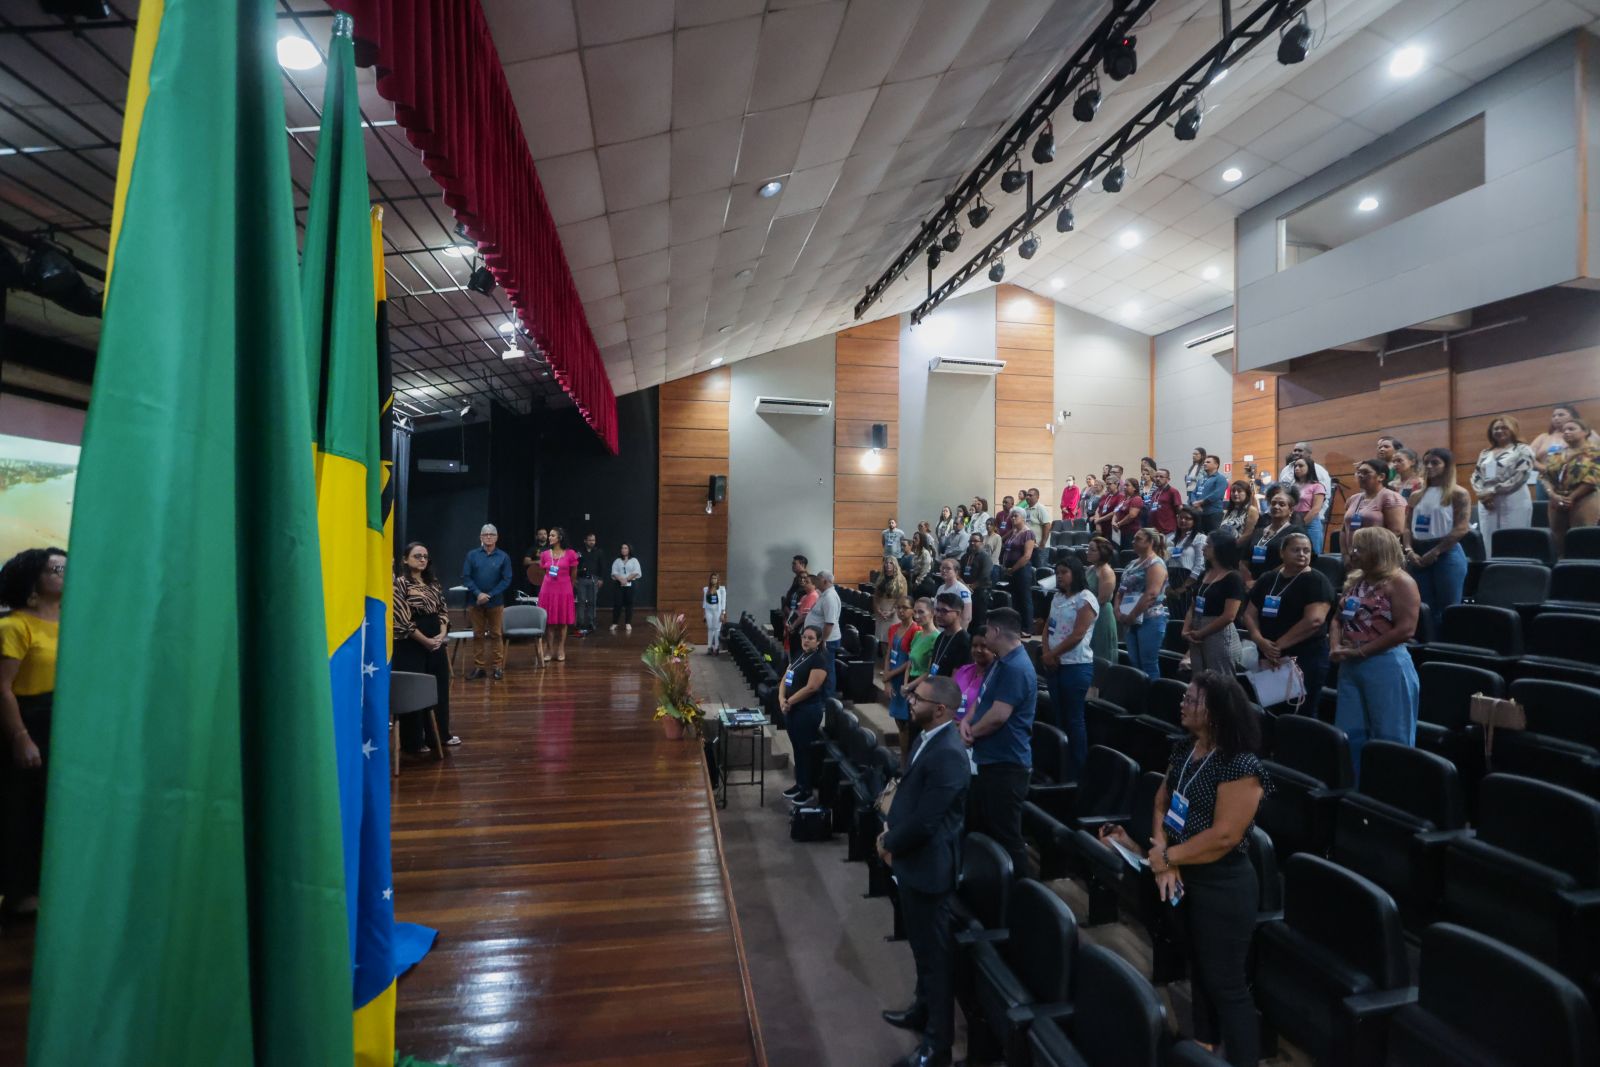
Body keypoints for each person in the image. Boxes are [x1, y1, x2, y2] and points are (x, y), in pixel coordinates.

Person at [1146, 671, 1272, 1067]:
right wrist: (1163, 857)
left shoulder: (1241, 765)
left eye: (1192, 700)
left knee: (1227, 985)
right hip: (1183, 875)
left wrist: (1168, 859)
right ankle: (1204, 1047)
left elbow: (1224, 837)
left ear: (1216, 712)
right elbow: (1161, 804)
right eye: (1184, 697)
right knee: (1199, 970)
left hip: (1223, 885)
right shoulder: (1187, 749)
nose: (1183, 704)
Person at [877, 674, 970, 1067]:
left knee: (936, 960)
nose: (910, 700)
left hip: (930, 869)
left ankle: (938, 1046)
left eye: (919, 698)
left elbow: (928, 822)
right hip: (914, 862)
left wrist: (888, 843)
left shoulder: (949, 752)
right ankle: (920, 1009)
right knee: (920, 949)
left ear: (942, 709)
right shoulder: (926, 738)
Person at [0, 547, 64, 917]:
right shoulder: (14, 625)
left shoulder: (74, 622)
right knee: (21, 807)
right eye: (56, 568)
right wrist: (20, 736)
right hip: (29, 720)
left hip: (64, 721)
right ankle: (20, 893)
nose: (64, 573)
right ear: (33, 581)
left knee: (54, 807)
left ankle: (50, 886)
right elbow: (2, 688)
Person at [1330, 527, 1421, 779]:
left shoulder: (1401, 582)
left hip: (1385, 665)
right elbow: (1337, 619)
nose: (1353, 552)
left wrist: (1361, 652)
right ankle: (1357, 793)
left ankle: (1391, 795)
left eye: (1360, 548)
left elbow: (1406, 629)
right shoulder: (1355, 581)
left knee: (1391, 736)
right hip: (1351, 665)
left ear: (1378, 550)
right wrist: (1335, 647)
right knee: (1351, 735)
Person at [960, 608, 1036, 877]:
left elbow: (999, 716)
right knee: (985, 827)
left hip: (1008, 763)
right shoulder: (1000, 663)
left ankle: (1024, 892)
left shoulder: (1016, 667)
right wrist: (968, 722)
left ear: (995, 631)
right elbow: (981, 701)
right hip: (989, 757)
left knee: (1007, 835)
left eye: (987, 629)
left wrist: (971, 732)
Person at [1243, 532, 1334, 709]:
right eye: (1296, 550)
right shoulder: (1269, 578)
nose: (1302, 554)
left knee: (1300, 712)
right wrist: (1259, 640)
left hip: (1304, 657)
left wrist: (1276, 647)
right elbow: (1249, 614)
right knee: (1271, 708)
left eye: (1306, 550)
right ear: (1282, 553)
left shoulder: (1316, 580)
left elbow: (1314, 620)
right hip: (1268, 654)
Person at [394, 542, 458, 752]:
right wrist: (425, 641)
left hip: (435, 639)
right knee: (414, 690)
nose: (422, 559)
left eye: (425, 556)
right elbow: (403, 619)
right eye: (417, 556)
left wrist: (441, 634)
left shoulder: (434, 583)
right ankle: (414, 741)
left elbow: (442, 610)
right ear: (405, 559)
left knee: (439, 687)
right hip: (411, 642)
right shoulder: (400, 584)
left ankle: (440, 735)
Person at [1043, 556, 1098, 781]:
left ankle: (1078, 769)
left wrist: (1053, 654)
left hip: (1076, 665)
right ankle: (1061, 762)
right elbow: (1048, 626)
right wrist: (1046, 652)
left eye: (1064, 572)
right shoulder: (1057, 597)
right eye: (1057, 572)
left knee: (1074, 718)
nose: (1059, 576)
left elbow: (1078, 634)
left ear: (1075, 573)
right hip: (1055, 663)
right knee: (1058, 714)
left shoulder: (1086, 599)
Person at [1404, 448, 1471, 632]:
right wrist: (1409, 550)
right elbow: (1407, 527)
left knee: (1448, 606)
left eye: (1435, 462)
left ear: (1447, 466)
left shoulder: (1458, 493)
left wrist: (1436, 551)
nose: (1429, 466)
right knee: (1422, 606)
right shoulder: (1416, 495)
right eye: (1426, 462)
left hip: (1445, 552)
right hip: (1417, 552)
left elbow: (1461, 528)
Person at [779, 625, 833, 807]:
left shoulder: (820, 660)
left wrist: (789, 701)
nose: (806, 640)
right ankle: (799, 783)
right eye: (804, 637)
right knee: (797, 748)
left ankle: (807, 789)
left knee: (805, 750)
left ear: (818, 642)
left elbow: (811, 688)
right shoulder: (799, 655)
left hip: (808, 710)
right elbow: (786, 676)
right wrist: (781, 698)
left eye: (811, 638)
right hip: (792, 709)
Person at [1471, 416, 1535, 555]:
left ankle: (1513, 571)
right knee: (1488, 538)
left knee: (1513, 539)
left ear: (1513, 429)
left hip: (1513, 498)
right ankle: (1491, 569)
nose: (1499, 431)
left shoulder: (1522, 449)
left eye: (1504, 427)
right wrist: (1482, 494)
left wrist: (1493, 491)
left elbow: (1521, 476)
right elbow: (1476, 475)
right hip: (1487, 501)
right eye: (1496, 428)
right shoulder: (1485, 453)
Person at [1185, 533, 1246, 676]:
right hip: (1196, 631)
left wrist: (1201, 633)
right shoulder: (1205, 573)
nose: (1204, 548)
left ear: (1221, 548)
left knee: (1220, 683)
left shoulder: (1233, 578)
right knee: (1199, 679)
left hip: (1219, 634)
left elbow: (1229, 616)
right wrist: (1185, 629)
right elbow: (1193, 605)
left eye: (1208, 544)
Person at [1543, 416, 1600, 557]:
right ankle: (1563, 571)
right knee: (1558, 543)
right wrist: (1553, 495)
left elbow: (1593, 477)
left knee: (1582, 540)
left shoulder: (1595, 452)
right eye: (1564, 430)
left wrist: (1571, 497)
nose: (1566, 432)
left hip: (1584, 499)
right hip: (1556, 501)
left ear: (1585, 432)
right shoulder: (1556, 453)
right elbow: (1545, 476)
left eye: (1571, 429)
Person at [462, 524, 513, 680]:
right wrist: (478, 593)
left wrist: (489, 595)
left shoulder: (503, 556)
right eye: (485, 534)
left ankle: (498, 667)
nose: (489, 537)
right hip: (475, 602)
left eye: (492, 534)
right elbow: (466, 577)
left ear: (497, 537)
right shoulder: (472, 555)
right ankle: (479, 667)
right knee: (478, 635)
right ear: (481, 537)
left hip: (495, 602)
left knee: (496, 634)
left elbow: (507, 579)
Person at [1117, 529, 1170, 680]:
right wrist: (1118, 611)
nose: (1133, 542)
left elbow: (1151, 594)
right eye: (1134, 539)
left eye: (1138, 539)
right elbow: (1120, 591)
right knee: (1135, 662)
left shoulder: (1156, 564)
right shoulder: (1132, 563)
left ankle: (1151, 700)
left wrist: (1132, 616)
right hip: (1129, 617)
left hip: (1149, 618)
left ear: (1150, 542)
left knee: (1148, 664)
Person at [1531, 403, 1600, 495]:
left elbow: (1595, 457)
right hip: (1546, 481)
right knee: (1548, 507)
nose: (1556, 418)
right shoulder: (1543, 437)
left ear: (1573, 416)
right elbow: (1527, 457)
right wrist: (1543, 468)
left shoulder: (1587, 433)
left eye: (1561, 415)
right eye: (1554, 416)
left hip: (1579, 480)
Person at [902, 598, 939, 761]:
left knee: (918, 728)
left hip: (921, 685)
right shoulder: (917, 634)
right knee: (909, 727)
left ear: (932, 613)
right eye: (915, 611)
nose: (916, 615)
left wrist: (910, 686)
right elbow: (909, 662)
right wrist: (905, 684)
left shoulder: (936, 637)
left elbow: (929, 670)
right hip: (909, 682)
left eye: (921, 612)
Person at [538, 528, 579, 662]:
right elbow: (544, 572)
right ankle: (549, 649)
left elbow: (573, 574)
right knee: (549, 622)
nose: (549, 537)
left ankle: (561, 648)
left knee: (563, 622)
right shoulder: (544, 554)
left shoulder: (570, 554)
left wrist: (568, 588)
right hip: (548, 591)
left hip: (564, 591)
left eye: (552, 535)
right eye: (549, 535)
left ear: (560, 537)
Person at [883, 598, 919, 751]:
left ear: (913, 610)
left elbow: (910, 660)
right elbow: (889, 653)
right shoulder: (893, 628)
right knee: (899, 722)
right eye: (898, 607)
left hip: (905, 677)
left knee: (906, 724)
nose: (901, 611)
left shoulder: (916, 630)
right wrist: (886, 679)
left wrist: (890, 674)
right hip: (893, 676)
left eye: (905, 607)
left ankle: (905, 759)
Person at [1277, 442, 1333, 539]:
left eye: (1300, 450)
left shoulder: (1320, 472)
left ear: (1309, 453)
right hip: (1291, 520)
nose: (1296, 452)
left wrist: (1303, 522)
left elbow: (1324, 498)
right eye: (1295, 450)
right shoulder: (1286, 470)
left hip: (1312, 519)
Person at [1344, 458, 1408, 542]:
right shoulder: (1353, 499)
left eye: (1365, 472)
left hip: (1379, 552)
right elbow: (1344, 531)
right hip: (1352, 553)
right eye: (1358, 472)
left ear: (1381, 477)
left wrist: (1369, 548)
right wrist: (1345, 554)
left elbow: (1396, 531)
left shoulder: (1391, 497)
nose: (1360, 475)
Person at [1246, 486, 1299, 581]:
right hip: (1250, 581)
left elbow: (1295, 561)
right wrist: (1247, 580)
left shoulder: (1296, 531)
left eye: (1281, 504)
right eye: (1273, 503)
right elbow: (1243, 559)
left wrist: (1262, 581)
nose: (1276, 506)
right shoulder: (1259, 531)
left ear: (1290, 510)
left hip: (1278, 580)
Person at [1000, 508, 1038, 634]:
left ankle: (1027, 628)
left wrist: (1013, 569)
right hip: (1011, 570)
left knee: (1024, 599)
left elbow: (1027, 556)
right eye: (1011, 516)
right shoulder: (1014, 532)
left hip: (1021, 570)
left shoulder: (1028, 533)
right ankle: (1017, 626)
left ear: (1023, 517)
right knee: (1015, 599)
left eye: (1015, 516)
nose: (1013, 518)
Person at [1083, 536, 1121, 665]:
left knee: (1101, 651)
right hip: (1089, 612)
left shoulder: (1106, 571)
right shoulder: (1090, 569)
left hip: (1101, 614)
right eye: (1088, 549)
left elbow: (1102, 599)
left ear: (1102, 553)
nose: (1088, 552)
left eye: (1092, 550)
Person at [806, 571, 844, 690]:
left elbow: (829, 623)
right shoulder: (823, 594)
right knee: (820, 669)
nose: (815, 581)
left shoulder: (829, 597)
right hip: (821, 639)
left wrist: (822, 640)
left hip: (828, 640)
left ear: (824, 581)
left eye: (818, 578)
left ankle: (828, 700)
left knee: (826, 670)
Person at [1167, 506, 1209, 610]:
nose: (1182, 520)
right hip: (1170, 581)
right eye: (1180, 517)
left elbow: (1200, 565)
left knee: (1184, 615)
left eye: (1187, 518)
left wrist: (1184, 587)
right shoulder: (1171, 537)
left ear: (1195, 521)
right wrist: (1167, 586)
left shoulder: (1200, 538)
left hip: (1188, 582)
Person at [927, 592, 972, 681]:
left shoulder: (964, 641)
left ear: (958, 614)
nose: (938, 615)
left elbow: (956, 679)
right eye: (937, 610)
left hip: (946, 692)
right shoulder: (941, 636)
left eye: (944, 611)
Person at [953, 626, 991, 724]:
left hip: (973, 730)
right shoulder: (964, 670)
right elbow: (949, 696)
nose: (978, 650)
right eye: (974, 646)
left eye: (983, 646)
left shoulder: (994, 676)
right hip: (951, 725)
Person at [1288, 457, 1328, 552]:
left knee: (1313, 553)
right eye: (1295, 466)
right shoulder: (1292, 486)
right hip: (1294, 521)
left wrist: (1301, 524)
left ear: (1309, 468)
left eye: (1300, 466)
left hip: (1310, 523)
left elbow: (1316, 509)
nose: (1297, 468)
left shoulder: (1317, 486)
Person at [959, 533, 993, 631]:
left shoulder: (985, 557)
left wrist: (972, 587)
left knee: (978, 622)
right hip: (966, 590)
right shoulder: (965, 557)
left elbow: (985, 576)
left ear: (981, 543)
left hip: (980, 592)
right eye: (971, 541)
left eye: (975, 541)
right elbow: (959, 572)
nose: (972, 543)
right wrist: (965, 586)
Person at [574, 532, 605, 636]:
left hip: (594, 579)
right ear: (585, 541)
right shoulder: (579, 552)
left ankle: (591, 622)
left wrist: (600, 579)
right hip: (581, 579)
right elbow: (574, 565)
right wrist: (575, 578)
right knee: (581, 601)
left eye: (594, 540)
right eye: (590, 540)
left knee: (592, 601)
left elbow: (601, 566)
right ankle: (580, 623)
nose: (592, 542)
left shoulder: (599, 552)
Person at [872, 558, 909, 644]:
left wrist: (892, 611)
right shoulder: (880, 578)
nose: (888, 565)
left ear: (895, 565)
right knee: (882, 639)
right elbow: (876, 597)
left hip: (895, 610)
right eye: (886, 563)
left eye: (891, 563)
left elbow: (903, 598)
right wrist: (878, 610)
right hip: (881, 610)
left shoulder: (901, 580)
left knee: (893, 640)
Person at [1191, 454, 1228, 533]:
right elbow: (1193, 493)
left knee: (1213, 538)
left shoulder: (1220, 478)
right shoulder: (1201, 479)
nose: (1204, 464)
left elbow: (1217, 494)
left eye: (1208, 462)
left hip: (1213, 514)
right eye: (1204, 462)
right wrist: (1195, 503)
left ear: (1216, 465)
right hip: (1199, 513)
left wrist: (1200, 503)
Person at [610, 542, 641, 633]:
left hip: (631, 584)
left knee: (629, 603)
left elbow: (636, 572)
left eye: (625, 548)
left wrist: (626, 579)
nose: (623, 550)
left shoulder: (634, 560)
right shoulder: (617, 561)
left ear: (629, 549)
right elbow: (614, 573)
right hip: (619, 584)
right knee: (617, 604)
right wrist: (621, 580)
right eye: (622, 548)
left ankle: (628, 623)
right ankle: (615, 623)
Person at [933, 556, 973, 627]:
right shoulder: (941, 588)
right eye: (942, 568)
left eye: (948, 568)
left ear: (956, 572)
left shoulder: (962, 590)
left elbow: (966, 617)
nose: (944, 570)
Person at [786, 572, 819, 656]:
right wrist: (789, 623)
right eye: (804, 580)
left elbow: (804, 616)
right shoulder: (804, 596)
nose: (804, 582)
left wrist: (793, 626)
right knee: (793, 652)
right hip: (796, 627)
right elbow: (797, 611)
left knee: (797, 652)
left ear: (814, 585)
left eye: (807, 582)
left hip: (802, 628)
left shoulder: (813, 596)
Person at [1146, 468, 1185, 536]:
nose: (1158, 479)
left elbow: (1180, 510)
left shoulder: (1173, 492)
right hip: (1154, 531)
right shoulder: (1155, 492)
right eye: (1156, 476)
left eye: (1161, 477)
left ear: (1168, 479)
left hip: (1168, 531)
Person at [1110, 477, 1146, 549]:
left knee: (1127, 552)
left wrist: (1119, 523)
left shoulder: (1137, 499)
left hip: (1131, 532)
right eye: (1124, 485)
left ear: (1134, 488)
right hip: (1120, 531)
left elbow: (1132, 515)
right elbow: (1117, 511)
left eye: (1127, 485)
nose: (1125, 487)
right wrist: (1113, 522)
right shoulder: (1124, 499)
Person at [702, 571, 728, 655]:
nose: (714, 580)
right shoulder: (706, 589)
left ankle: (716, 648)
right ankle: (709, 647)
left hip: (717, 611)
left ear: (718, 579)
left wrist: (723, 613)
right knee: (710, 629)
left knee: (717, 629)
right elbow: (704, 602)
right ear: (710, 580)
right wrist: (704, 615)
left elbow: (723, 602)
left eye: (715, 578)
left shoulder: (721, 589)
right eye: (712, 578)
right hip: (708, 611)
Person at [521, 527, 550, 595]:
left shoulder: (552, 548)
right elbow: (525, 562)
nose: (543, 536)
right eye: (540, 534)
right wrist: (537, 562)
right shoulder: (533, 548)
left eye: (545, 534)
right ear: (536, 536)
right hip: (537, 577)